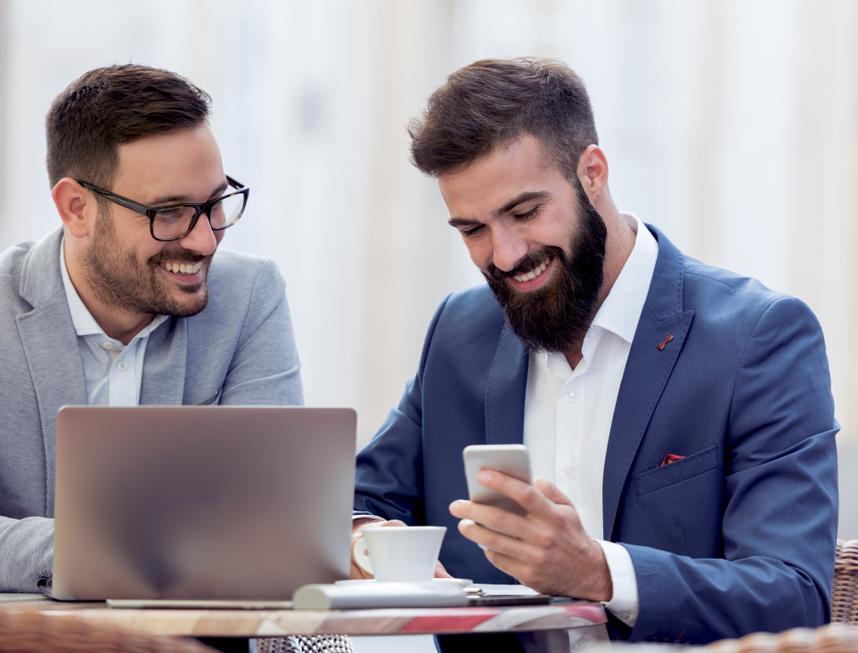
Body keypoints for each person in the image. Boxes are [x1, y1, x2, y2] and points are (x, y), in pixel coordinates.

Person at [352, 57, 839, 646]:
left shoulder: (757, 338)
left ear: (593, 173)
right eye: (472, 230)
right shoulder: (462, 332)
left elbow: (793, 595)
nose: (504, 256)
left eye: (525, 212)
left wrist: (599, 572)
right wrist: (363, 543)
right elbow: (354, 501)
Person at [0, 65, 303, 594]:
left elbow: (273, 522)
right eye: (168, 213)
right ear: (76, 208)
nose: (205, 242)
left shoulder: (250, 299)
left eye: (215, 205)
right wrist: (118, 550)